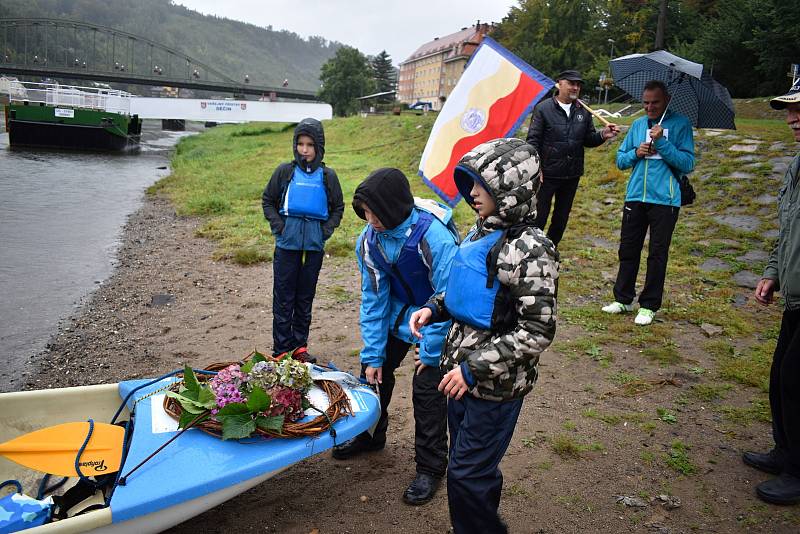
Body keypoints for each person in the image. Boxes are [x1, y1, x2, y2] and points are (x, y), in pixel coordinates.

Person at [409, 138, 559, 533]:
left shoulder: (531, 250)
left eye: (483, 185)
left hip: (495, 386)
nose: (472, 193)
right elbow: (467, 289)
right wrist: (434, 307)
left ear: (510, 190)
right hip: (459, 376)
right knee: (472, 466)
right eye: (471, 183)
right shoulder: (480, 233)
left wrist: (475, 369)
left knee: (465, 476)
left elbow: (538, 329)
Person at [332, 168, 458, 506]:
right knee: (372, 374)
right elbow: (374, 299)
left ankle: (431, 466)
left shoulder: (436, 238)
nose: (368, 219)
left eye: (374, 212)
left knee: (427, 388)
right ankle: (369, 435)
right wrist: (373, 354)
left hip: (439, 318)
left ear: (393, 206)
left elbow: (451, 297)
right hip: (400, 315)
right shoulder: (369, 240)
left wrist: (430, 351)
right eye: (364, 212)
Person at [742, 80, 800, 505]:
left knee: (797, 377)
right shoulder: (797, 165)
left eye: (799, 111)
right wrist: (772, 272)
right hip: (794, 294)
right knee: (781, 374)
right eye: (789, 110)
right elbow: (789, 233)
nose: (792, 119)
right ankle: (785, 452)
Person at [601, 80, 695, 325]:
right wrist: (636, 153)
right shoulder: (637, 124)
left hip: (665, 199)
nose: (650, 107)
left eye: (655, 102)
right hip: (635, 196)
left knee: (657, 253)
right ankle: (622, 299)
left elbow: (687, 164)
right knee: (628, 249)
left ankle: (649, 305)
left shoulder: (681, 124)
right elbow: (621, 160)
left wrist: (662, 142)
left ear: (665, 101)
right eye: (645, 102)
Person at [262, 118, 344, 362]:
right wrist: (280, 228)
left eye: (310, 144)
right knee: (284, 297)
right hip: (287, 246)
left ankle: (299, 347)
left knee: (304, 297)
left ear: (319, 147)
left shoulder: (328, 176)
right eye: (300, 144)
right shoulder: (284, 172)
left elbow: (338, 207)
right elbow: (268, 200)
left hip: (314, 248)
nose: (304, 149)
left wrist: (324, 232)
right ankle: (281, 349)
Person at [526, 69, 619, 247]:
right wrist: (536, 169)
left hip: (571, 174)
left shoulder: (583, 110)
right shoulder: (544, 109)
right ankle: (531, 250)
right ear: (559, 84)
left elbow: (588, 139)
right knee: (540, 216)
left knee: (561, 218)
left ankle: (550, 249)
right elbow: (533, 141)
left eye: (578, 84)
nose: (575, 87)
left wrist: (603, 135)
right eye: (571, 83)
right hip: (547, 174)